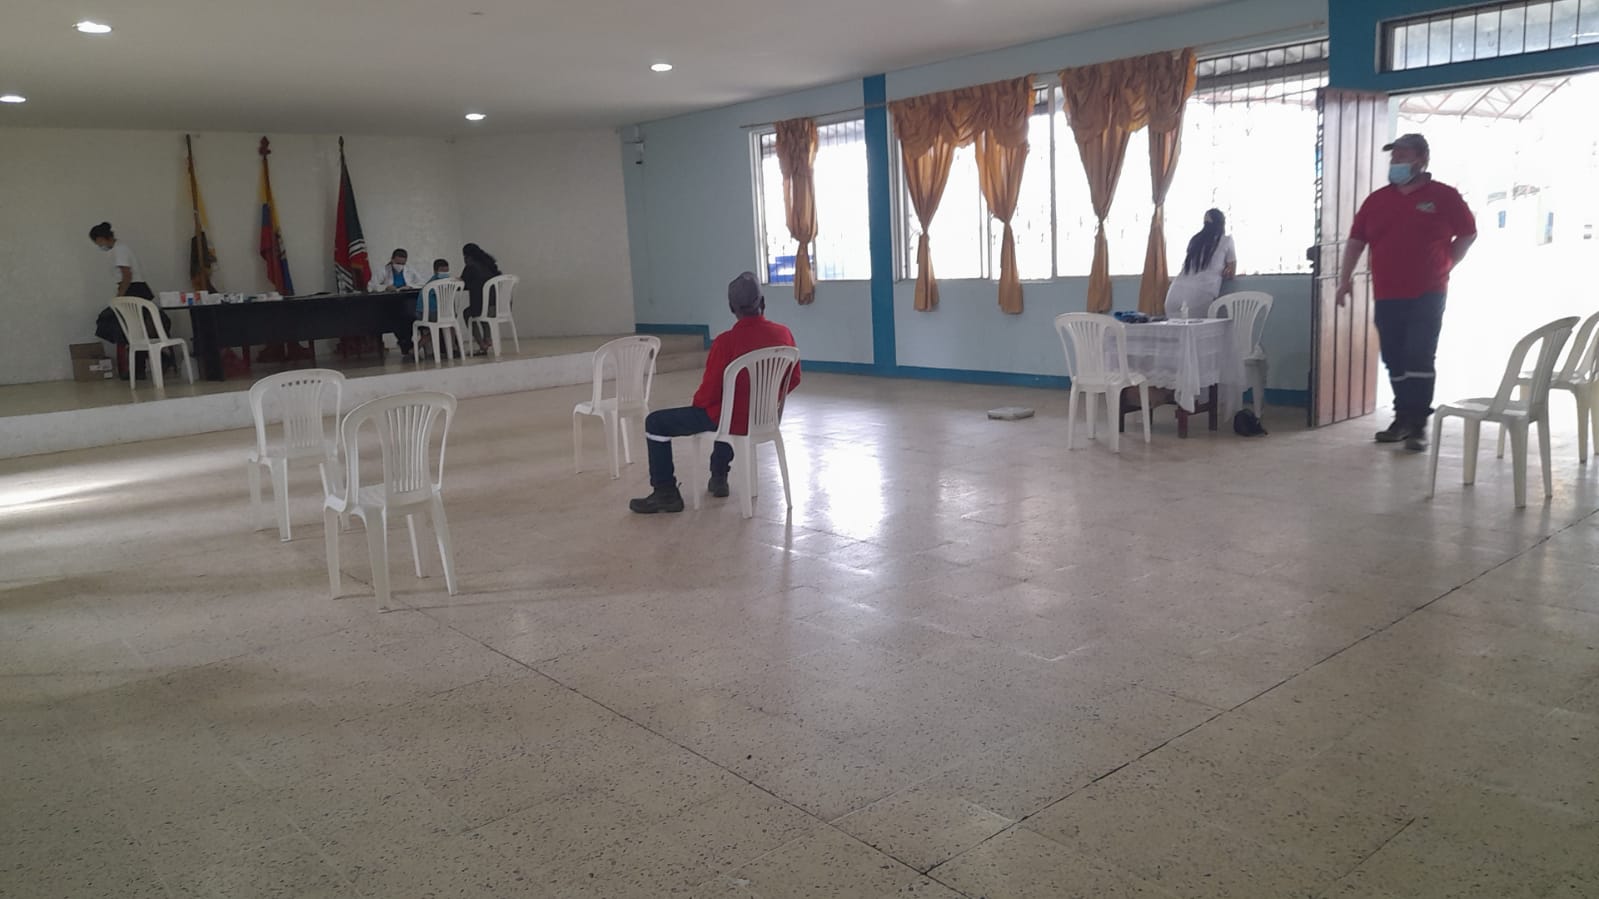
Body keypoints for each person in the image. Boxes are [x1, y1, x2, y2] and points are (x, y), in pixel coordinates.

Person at [1337, 133, 1477, 452]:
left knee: (1419, 354)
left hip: (1428, 292)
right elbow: (1356, 242)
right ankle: (1402, 418)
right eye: (1394, 157)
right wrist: (1345, 280)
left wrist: (1447, 263)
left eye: (1402, 156)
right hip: (1387, 292)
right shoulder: (1377, 201)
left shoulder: (1443, 196)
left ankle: (1417, 424)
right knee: (1394, 357)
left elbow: (1468, 233)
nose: (1396, 162)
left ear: (1421, 160)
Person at [630, 272, 802, 514]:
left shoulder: (725, 342)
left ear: (732, 308)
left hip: (731, 419)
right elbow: (794, 378)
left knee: (657, 422)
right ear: (763, 302)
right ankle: (719, 476)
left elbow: (709, 393)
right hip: (762, 417)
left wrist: (697, 406)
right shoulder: (784, 334)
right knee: (731, 412)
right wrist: (765, 401)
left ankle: (665, 493)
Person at [1164, 209, 1236, 320]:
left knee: (1175, 330)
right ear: (1222, 223)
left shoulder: (1195, 240)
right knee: (1198, 330)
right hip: (1199, 294)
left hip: (1173, 294)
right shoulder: (1226, 240)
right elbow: (1231, 272)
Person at [89, 222, 154, 300]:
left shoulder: (119, 249)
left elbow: (127, 275)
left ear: (100, 239)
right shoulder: (117, 248)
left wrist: (119, 297)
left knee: (115, 307)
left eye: (98, 243)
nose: (99, 245)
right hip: (131, 288)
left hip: (134, 289)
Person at [460, 243, 501, 355]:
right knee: (483, 311)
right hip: (499, 306)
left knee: (468, 313)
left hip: (484, 308)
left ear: (467, 256)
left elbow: (463, 284)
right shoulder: (490, 265)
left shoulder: (471, 266)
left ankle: (482, 345)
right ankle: (487, 339)